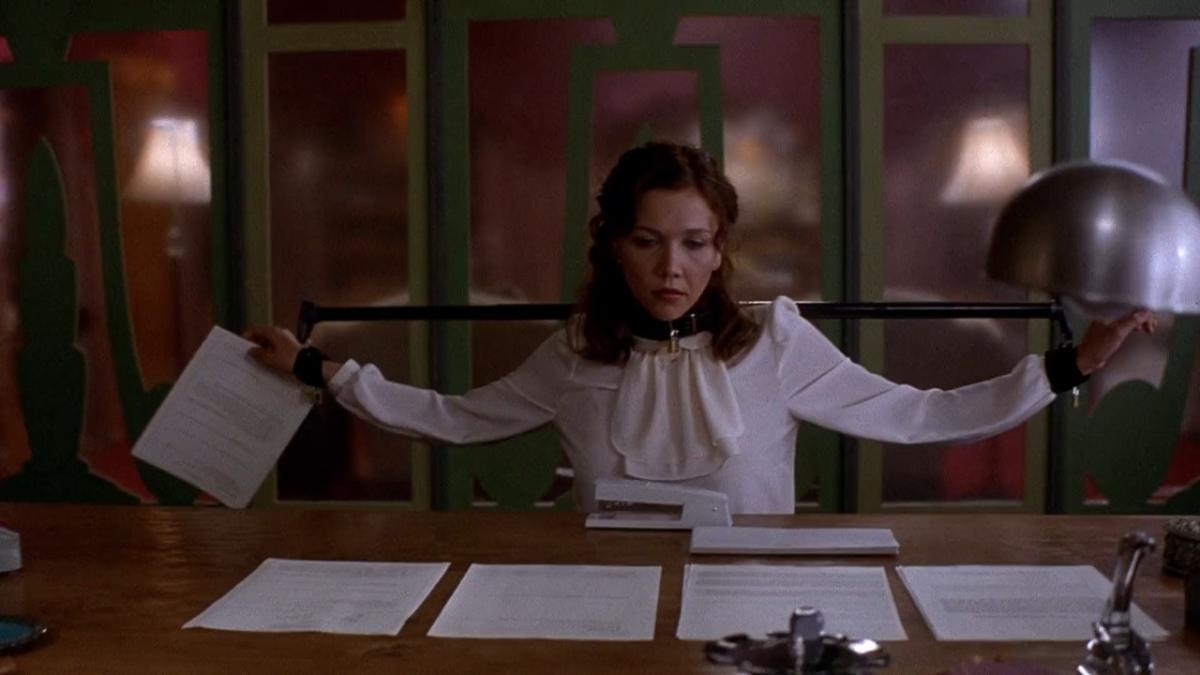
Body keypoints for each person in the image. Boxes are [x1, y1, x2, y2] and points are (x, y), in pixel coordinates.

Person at [245, 142, 1155, 514]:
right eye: (647, 242)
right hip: (608, 616)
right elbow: (452, 415)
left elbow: (923, 413)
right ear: (612, 247)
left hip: (755, 623)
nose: (670, 269)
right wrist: (322, 369)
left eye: (693, 243)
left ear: (721, 250)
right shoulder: (575, 350)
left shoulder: (778, 340)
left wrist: (1069, 365)